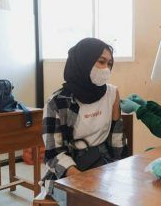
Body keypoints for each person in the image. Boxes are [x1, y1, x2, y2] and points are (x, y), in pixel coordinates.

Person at [40, 38, 126, 196]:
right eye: (101, 62)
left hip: (103, 162)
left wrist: (119, 170)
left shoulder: (112, 93)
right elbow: (53, 153)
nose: (106, 69)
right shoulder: (57, 102)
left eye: (110, 64)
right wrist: (81, 179)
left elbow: (116, 136)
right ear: (83, 61)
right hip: (69, 168)